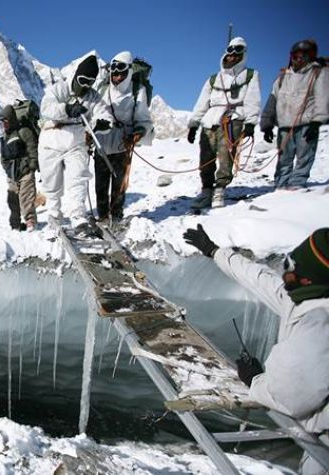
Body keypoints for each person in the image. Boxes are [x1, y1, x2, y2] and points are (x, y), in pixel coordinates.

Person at [184, 225, 329, 474]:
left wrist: (255, 380)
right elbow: (260, 279)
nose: (287, 275)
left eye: (294, 270)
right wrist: (214, 251)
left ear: (310, 278)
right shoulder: (305, 296)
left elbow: (290, 396)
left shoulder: (319, 322)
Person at [38, 53, 111, 236]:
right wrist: (67, 109)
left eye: (90, 82)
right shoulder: (59, 89)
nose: (85, 85)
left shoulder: (92, 96)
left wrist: (101, 123)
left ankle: (78, 216)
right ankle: (54, 213)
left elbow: (104, 113)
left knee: (78, 177)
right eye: (82, 80)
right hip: (51, 140)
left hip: (76, 142)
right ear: (76, 76)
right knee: (51, 181)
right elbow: (46, 108)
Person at [187, 37, 261, 209]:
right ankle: (206, 191)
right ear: (225, 54)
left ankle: (220, 189)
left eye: (238, 53)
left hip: (232, 119)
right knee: (205, 158)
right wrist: (193, 124)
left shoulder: (250, 75)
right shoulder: (213, 79)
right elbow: (202, 102)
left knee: (226, 156)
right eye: (230, 52)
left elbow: (253, 99)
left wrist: (250, 123)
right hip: (209, 121)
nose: (233, 56)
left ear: (243, 55)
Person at [260, 39, 328, 190]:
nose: (298, 60)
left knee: (304, 156)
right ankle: (281, 185)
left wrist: (317, 121)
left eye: (303, 56)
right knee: (284, 158)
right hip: (284, 125)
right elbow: (272, 101)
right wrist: (266, 125)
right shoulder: (282, 77)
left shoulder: (317, 73)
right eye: (295, 56)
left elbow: (322, 98)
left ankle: (297, 184)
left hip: (307, 124)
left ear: (310, 57)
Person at [95, 51, 153, 223]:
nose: (118, 77)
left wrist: (138, 132)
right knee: (101, 183)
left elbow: (143, 118)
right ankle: (103, 216)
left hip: (123, 142)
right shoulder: (103, 89)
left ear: (129, 72)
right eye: (114, 73)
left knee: (119, 183)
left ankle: (116, 215)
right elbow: (94, 112)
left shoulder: (137, 90)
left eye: (121, 73)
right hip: (101, 142)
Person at [0, 104, 38, 232]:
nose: (4, 124)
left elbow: (32, 149)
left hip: (25, 171)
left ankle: (30, 221)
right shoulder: (5, 136)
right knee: (12, 199)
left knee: (27, 197)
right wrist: (7, 169)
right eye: (2, 122)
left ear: (11, 119)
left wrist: (31, 166)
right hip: (12, 174)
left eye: (6, 121)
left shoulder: (24, 132)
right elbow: (3, 156)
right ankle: (15, 224)